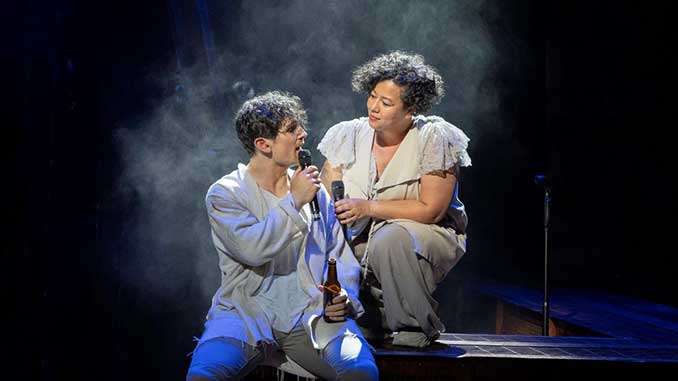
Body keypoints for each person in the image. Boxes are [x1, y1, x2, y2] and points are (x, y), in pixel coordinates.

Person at [186, 91, 378, 381]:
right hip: (247, 313)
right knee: (204, 375)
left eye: (300, 126)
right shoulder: (226, 193)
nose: (303, 134)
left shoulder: (315, 191)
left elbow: (337, 254)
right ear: (263, 144)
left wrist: (343, 295)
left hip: (309, 313)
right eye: (292, 129)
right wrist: (294, 202)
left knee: (361, 372)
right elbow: (252, 249)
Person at [317, 51, 471, 348]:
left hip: (424, 237)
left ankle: (415, 326)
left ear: (410, 107)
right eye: (372, 97)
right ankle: (366, 320)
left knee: (390, 238)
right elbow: (327, 196)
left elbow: (432, 209)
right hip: (359, 241)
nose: (374, 107)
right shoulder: (347, 134)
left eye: (386, 103)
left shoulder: (434, 137)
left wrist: (368, 207)